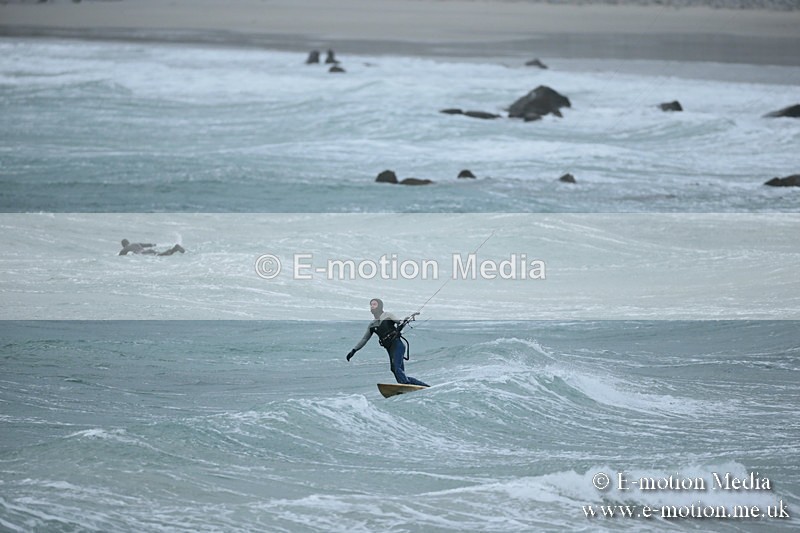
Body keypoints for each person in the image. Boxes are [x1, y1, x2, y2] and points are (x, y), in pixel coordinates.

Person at [346, 298, 429, 387]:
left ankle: (407, 385)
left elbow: (399, 321)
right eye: (371, 305)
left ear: (380, 306)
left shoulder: (387, 316)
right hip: (390, 349)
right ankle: (423, 387)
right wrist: (354, 350)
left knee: (397, 369)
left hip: (398, 345)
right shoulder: (372, 325)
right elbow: (364, 339)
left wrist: (406, 320)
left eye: (374, 304)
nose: (372, 306)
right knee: (395, 370)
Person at [119, 239, 185, 256]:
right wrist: (154, 245)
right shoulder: (135, 243)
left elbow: (119, 255)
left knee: (162, 255)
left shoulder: (125, 249)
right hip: (149, 250)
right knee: (162, 254)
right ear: (128, 242)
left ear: (123, 245)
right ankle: (174, 249)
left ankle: (175, 248)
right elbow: (148, 244)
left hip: (144, 253)